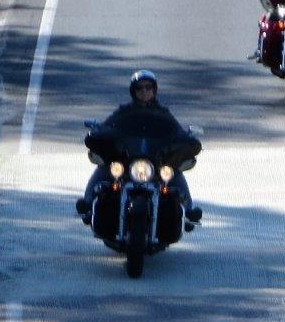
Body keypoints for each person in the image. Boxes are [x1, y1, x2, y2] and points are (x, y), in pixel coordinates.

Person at [75, 70, 202, 223]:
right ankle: (87, 203)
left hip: (155, 161)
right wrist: (98, 131)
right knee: (105, 167)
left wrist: (187, 138)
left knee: (174, 172)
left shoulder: (163, 113)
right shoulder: (124, 112)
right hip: (127, 159)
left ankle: (189, 209)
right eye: (139, 88)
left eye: (148, 87)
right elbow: (107, 126)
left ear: (154, 90)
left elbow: (177, 131)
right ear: (133, 91)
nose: (144, 91)